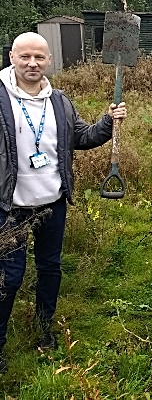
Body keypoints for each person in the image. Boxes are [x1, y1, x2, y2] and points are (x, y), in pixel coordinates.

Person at [0, 32, 127, 374]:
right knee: (9, 277)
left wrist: (107, 121)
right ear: (12, 57)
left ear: (49, 61)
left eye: (39, 57)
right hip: (9, 207)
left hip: (52, 203)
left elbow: (81, 137)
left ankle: (45, 330)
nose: (32, 63)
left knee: (50, 268)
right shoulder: (0, 99)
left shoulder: (59, 101)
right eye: (25, 56)